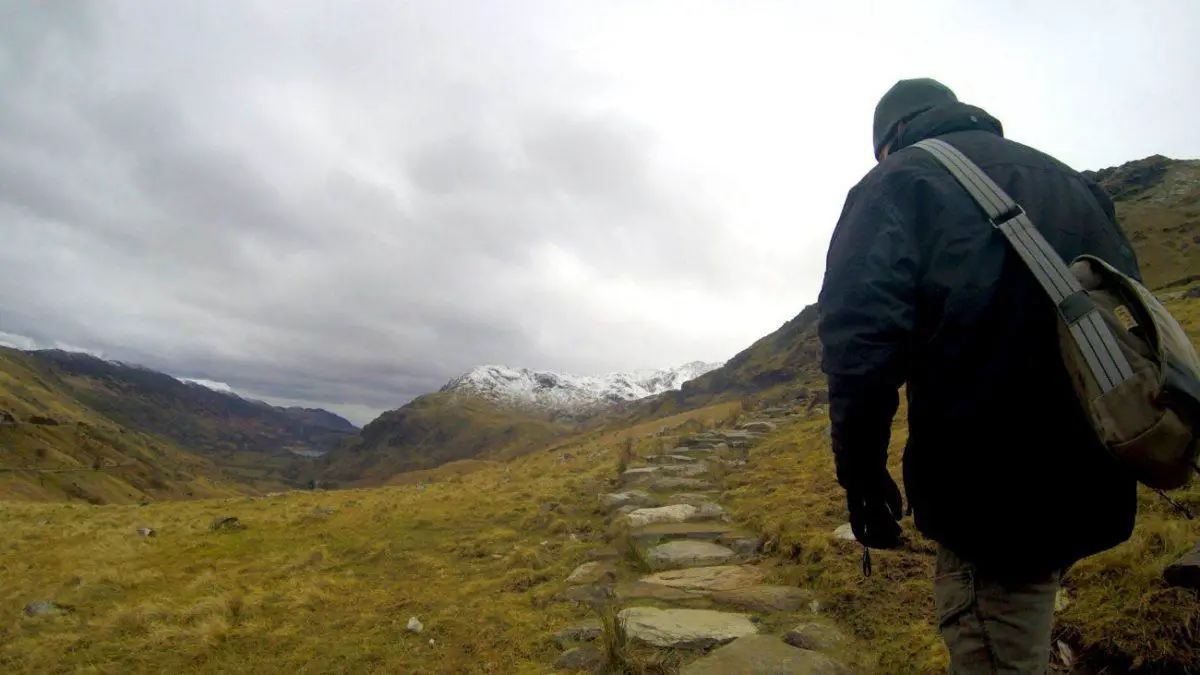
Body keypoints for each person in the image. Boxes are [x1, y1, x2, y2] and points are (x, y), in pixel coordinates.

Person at [817, 78, 1142, 673]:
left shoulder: (898, 181)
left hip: (992, 488)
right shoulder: (1072, 183)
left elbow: (860, 342)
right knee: (1025, 618)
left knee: (992, 642)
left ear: (891, 137)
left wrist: (861, 476)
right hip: (1099, 463)